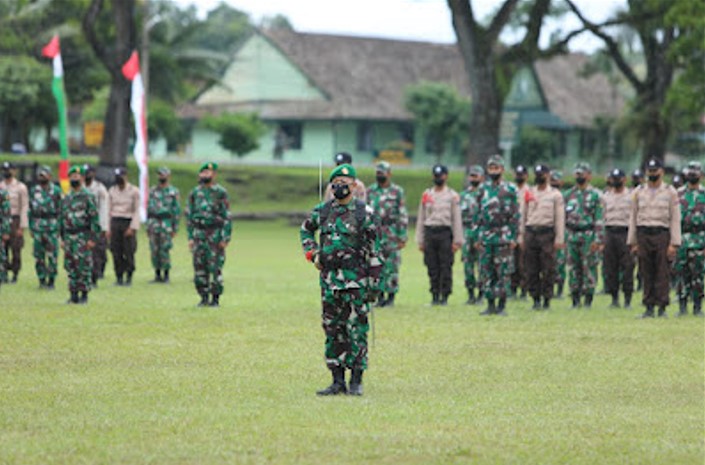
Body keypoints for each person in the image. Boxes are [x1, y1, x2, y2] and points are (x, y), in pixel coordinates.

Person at [300, 163, 382, 396]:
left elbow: (376, 251)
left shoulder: (364, 214)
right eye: (336, 183)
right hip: (329, 282)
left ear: (354, 185)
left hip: (357, 281)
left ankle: (356, 380)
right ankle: (337, 380)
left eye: (345, 183)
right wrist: (312, 253)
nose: (340, 187)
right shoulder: (323, 211)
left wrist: (375, 285)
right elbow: (305, 230)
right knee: (333, 330)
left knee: (356, 329)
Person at [627, 158, 681, 318]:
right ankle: (648, 306)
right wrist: (633, 241)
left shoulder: (670, 192)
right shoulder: (638, 192)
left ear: (662, 172)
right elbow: (633, 217)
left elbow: (675, 218)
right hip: (643, 234)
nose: (652, 174)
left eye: (655, 171)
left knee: (662, 271)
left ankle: (662, 306)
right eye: (649, 171)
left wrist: (674, 243)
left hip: (662, 234)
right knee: (646, 271)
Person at [476, 155, 519, 316]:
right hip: (486, 235)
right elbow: (477, 214)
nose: (493, 171)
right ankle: (490, 304)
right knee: (487, 271)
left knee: (503, 271)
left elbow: (515, 215)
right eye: (491, 168)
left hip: (503, 234)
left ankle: (502, 305)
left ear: (502, 169)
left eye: (496, 168)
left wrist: (514, 236)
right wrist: (477, 236)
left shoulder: (510, 190)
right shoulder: (483, 189)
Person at [415, 164, 463, 305]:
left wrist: (457, 240)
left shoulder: (452, 196)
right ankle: (434, 295)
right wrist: (420, 239)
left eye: (441, 175)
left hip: (445, 233)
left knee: (445, 266)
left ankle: (445, 296)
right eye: (436, 176)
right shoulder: (427, 194)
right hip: (430, 232)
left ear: (446, 176)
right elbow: (421, 217)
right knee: (432, 266)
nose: (438, 178)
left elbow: (456, 218)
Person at [186, 162, 232, 307]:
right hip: (199, 234)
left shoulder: (220, 192)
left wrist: (225, 237)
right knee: (199, 267)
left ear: (214, 175)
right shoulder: (194, 193)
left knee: (215, 266)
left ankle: (215, 298)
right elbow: (189, 216)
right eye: (203, 172)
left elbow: (227, 216)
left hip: (215, 234)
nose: (205, 175)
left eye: (208, 172)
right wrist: (190, 237)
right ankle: (203, 297)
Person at [519, 164, 565, 310]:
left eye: (543, 174)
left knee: (548, 268)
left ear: (548, 175)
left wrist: (559, 238)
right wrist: (521, 235)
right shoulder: (529, 192)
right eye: (538, 174)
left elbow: (560, 218)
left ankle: (547, 299)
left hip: (547, 233)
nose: (540, 176)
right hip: (531, 232)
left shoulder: (555, 195)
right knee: (531, 268)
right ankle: (535, 298)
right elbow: (522, 215)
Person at [366, 161, 408, 307]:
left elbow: (402, 214)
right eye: (378, 173)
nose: (380, 175)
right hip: (375, 234)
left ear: (389, 174)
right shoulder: (370, 191)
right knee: (376, 265)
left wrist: (402, 236)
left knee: (392, 266)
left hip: (391, 233)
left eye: (382, 173)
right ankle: (379, 296)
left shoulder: (397, 191)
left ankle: (391, 296)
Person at [564, 162, 604, 308]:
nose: (579, 176)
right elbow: (563, 218)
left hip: (588, 235)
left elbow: (599, 218)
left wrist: (598, 240)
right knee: (573, 268)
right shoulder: (568, 195)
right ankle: (575, 299)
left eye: (582, 173)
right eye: (577, 173)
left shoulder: (596, 195)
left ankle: (588, 300)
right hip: (572, 235)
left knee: (589, 267)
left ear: (589, 175)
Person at [60, 166, 99, 304]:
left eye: (77, 176)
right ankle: (73, 294)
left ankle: (84, 294)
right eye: (72, 176)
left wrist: (92, 238)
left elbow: (94, 218)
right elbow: (62, 218)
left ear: (82, 178)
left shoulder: (88, 196)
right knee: (70, 265)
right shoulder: (67, 197)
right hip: (69, 236)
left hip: (82, 235)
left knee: (83, 265)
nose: (74, 179)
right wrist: (62, 237)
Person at [674, 161, 705, 317]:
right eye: (690, 171)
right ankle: (682, 307)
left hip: (700, 240)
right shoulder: (677, 194)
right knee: (681, 274)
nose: (692, 174)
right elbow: (671, 219)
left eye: (695, 171)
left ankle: (698, 307)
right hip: (681, 240)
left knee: (698, 276)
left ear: (701, 174)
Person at [602, 168, 634, 308]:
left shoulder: (631, 196)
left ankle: (627, 298)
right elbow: (602, 218)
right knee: (610, 267)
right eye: (613, 179)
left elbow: (634, 217)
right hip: (610, 232)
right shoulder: (605, 196)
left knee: (627, 267)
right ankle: (614, 298)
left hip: (625, 232)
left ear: (624, 180)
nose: (616, 181)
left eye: (618, 179)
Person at [28, 165, 62, 289]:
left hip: (51, 226)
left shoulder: (56, 191)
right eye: (40, 175)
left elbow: (60, 211)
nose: (42, 177)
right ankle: (41, 280)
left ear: (50, 176)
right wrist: (31, 227)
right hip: (38, 226)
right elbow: (30, 210)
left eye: (44, 175)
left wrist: (59, 228)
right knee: (38, 255)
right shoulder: (34, 191)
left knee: (52, 255)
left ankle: (51, 280)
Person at [147, 167, 181, 283]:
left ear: (168, 176)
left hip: (166, 223)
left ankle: (166, 274)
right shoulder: (153, 191)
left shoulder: (173, 192)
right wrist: (148, 225)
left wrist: (175, 227)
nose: (161, 177)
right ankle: (157, 274)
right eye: (160, 175)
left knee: (164, 249)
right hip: (154, 223)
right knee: (154, 249)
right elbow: (149, 208)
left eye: (164, 175)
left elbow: (176, 210)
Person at [107, 167, 140, 286]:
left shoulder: (134, 191)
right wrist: (108, 227)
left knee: (129, 251)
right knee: (116, 251)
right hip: (115, 221)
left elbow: (137, 210)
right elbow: (109, 209)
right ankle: (119, 277)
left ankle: (129, 276)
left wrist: (133, 227)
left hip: (128, 221)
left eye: (121, 177)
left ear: (126, 176)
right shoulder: (112, 191)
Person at [0, 161, 29, 283]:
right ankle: (4, 273)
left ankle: (15, 274)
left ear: (14, 171)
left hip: (15, 220)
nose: (7, 172)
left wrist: (22, 226)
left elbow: (24, 206)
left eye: (9, 170)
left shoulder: (20, 187)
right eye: (5, 170)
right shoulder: (0, 186)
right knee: (3, 248)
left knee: (16, 249)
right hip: (2, 220)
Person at [460, 165, 484, 304]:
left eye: (476, 176)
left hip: (481, 232)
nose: (473, 178)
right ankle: (470, 294)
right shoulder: (464, 195)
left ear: (482, 177)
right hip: (467, 233)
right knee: (467, 265)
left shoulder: (486, 194)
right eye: (471, 176)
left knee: (482, 265)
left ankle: (481, 294)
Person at [84, 164, 109, 285]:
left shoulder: (99, 189)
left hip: (96, 224)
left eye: (89, 173)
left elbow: (104, 208)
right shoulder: (80, 187)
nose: (86, 175)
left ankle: (95, 276)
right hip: (82, 224)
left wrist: (104, 227)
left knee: (97, 252)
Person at [512, 164, 529, 299]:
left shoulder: (530, 191)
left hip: (525, 230)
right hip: (511, 230)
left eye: (522, 175)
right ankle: (512, 288)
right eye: (517, 175)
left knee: (523, 262)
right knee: (511, 261)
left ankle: (523, 289)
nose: (519, 177)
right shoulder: (510, 190)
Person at [550, 171, 568, 298]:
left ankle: (560, 289)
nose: (554, 183)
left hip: (564, 232)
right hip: (548, 232)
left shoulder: (566, 196)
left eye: (556, 181)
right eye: (552, 181)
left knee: (560, 261)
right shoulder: (547, 195)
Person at [0, 185, 10, 288]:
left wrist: (6, 231)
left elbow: (6, 213)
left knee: (1, 254)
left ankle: (2, 276)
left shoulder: (2, 192)